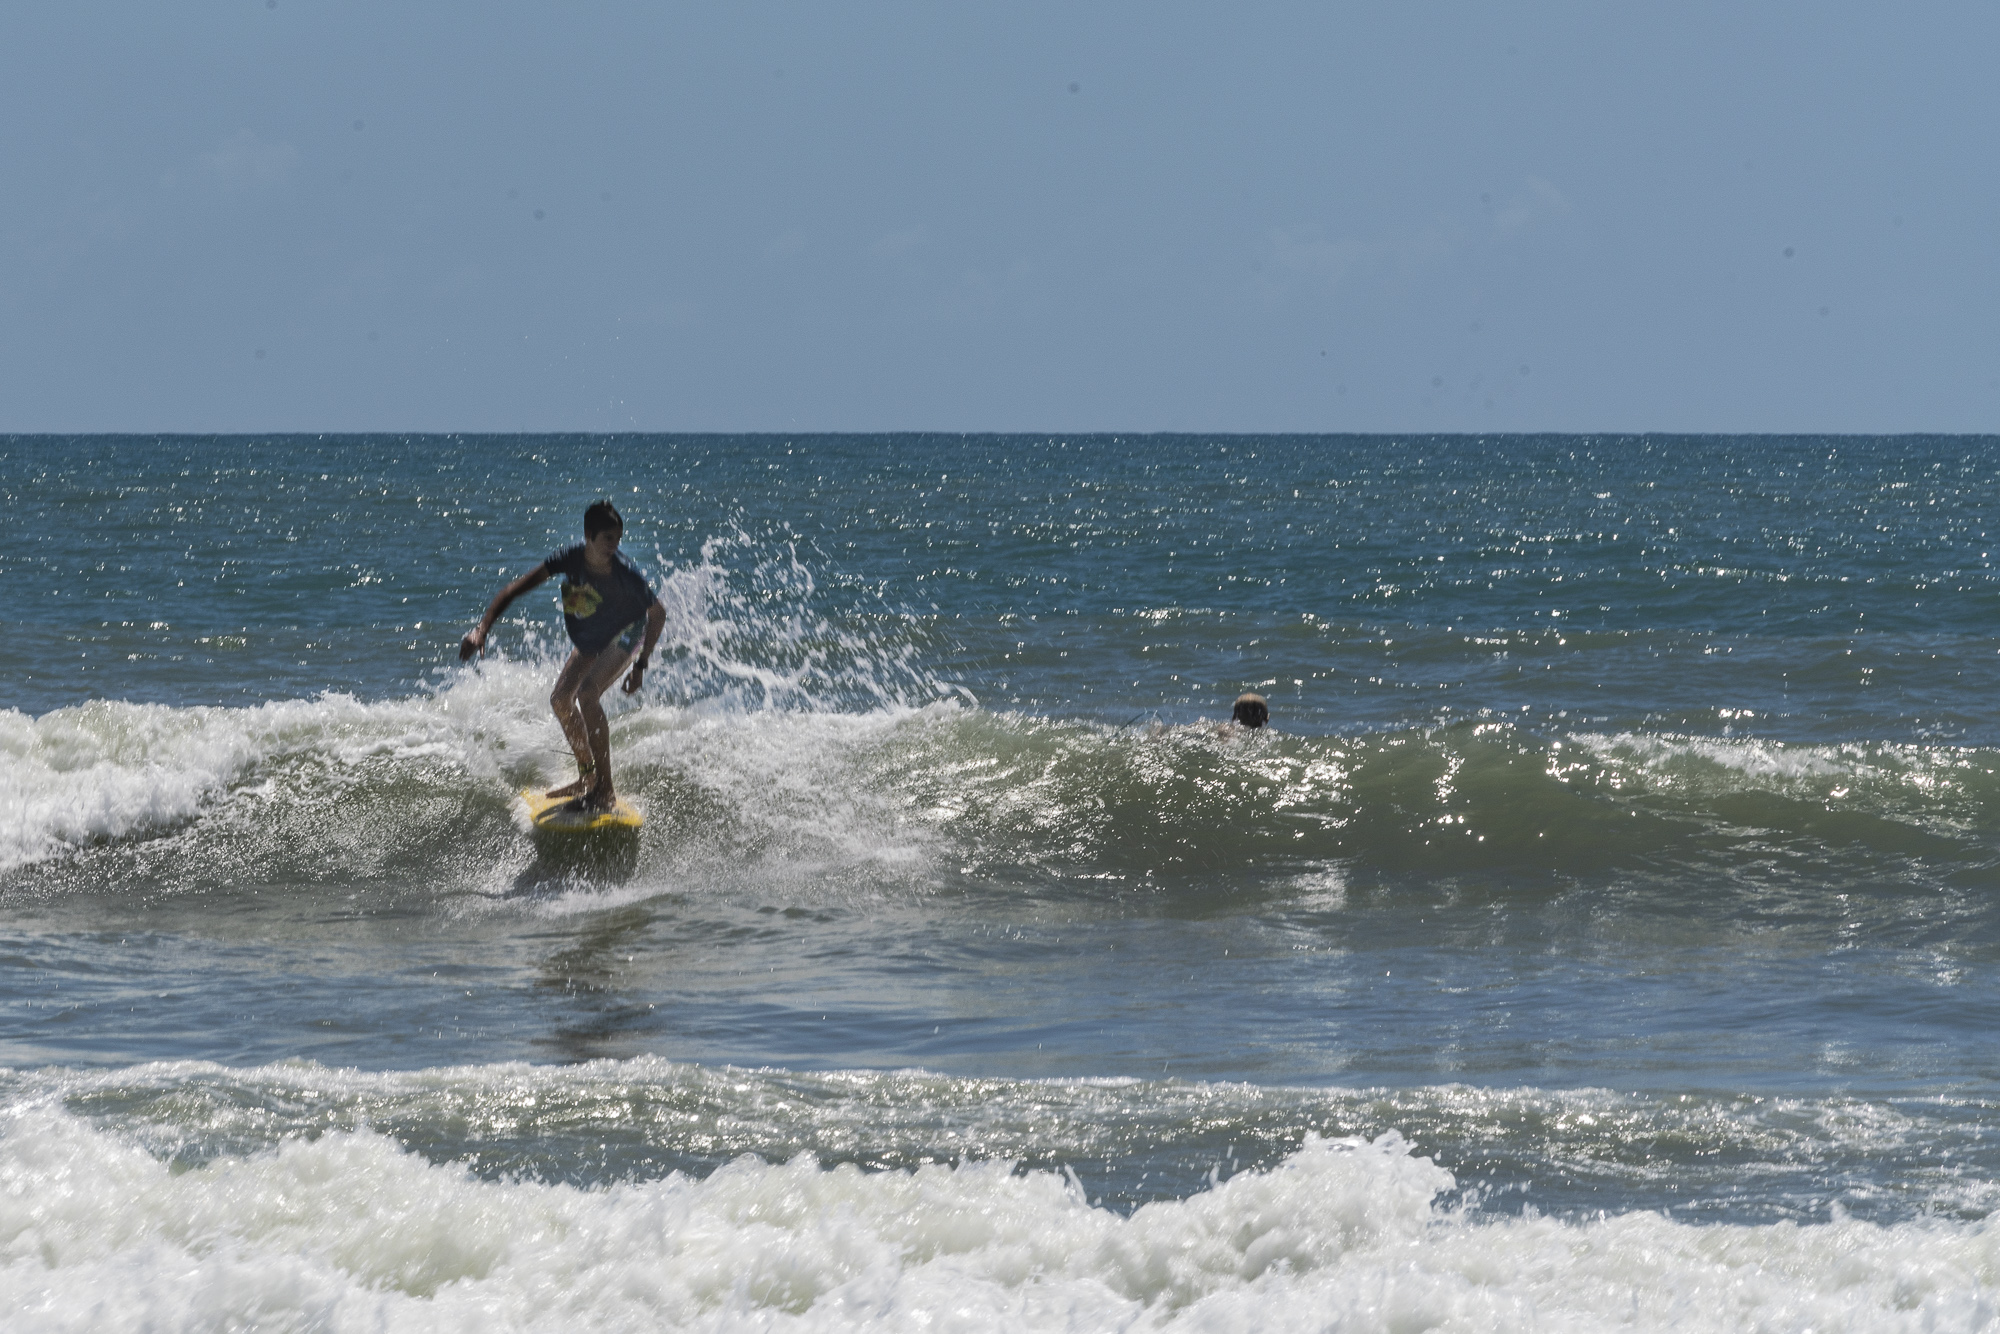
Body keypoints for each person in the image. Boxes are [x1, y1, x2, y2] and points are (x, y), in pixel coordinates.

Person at [459, 500, 667, 811]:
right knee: (560, 699)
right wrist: (482, 630)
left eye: (618, 539)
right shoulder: (569, 558)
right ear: (588, 535)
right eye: (607, 538)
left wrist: (641, 665)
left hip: (627, 631)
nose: (614, 546)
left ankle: (605, 790)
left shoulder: (626, 574)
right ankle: (587, 777)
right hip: (595, 634)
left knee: (587, 693)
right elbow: (514, 590)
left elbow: (658, 614)